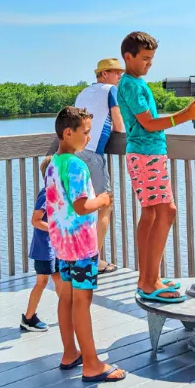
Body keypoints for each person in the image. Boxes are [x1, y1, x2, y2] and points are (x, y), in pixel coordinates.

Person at [117, 31, 195, 303]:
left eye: (152, 59)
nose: (149, 64)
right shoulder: (132, 85)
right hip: (147, 155)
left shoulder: (131, 83)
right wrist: (186, 115)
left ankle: (146, 276)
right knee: (167, 212)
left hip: (143, 154)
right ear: (128, 57)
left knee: (151, 215)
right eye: (145, 59)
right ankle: (149, 281)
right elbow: (149, 123)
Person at [45, 106, 126, 383]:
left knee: (66, 298)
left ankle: (70, 353)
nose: (89, 138)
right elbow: (81, 206)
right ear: (69, 133)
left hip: (61, 243)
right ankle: (91, 363)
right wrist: (102, 200)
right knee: (83, 301)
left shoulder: (54, 162)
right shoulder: (77, 165)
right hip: (81, 245)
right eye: (86, 132)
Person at [74, 58, 125, 274]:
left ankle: (76, 256)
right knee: (105, 204)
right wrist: (123, 136)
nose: (119, 77)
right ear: (104, 74)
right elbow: (118, 122)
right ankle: (92, 260)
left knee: (81, 206)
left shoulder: (83, 92)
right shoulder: (110, 91)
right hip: (92, 153)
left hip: (73, 153)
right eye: (116, 73)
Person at [21, 155, 56, 333]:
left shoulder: (58, 193)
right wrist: (54, 228)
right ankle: (28, 318)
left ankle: (71, 312)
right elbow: (35, 221)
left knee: (61, 281)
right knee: (42, 282)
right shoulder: (46, 194)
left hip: (57, 248)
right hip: (44, 248)